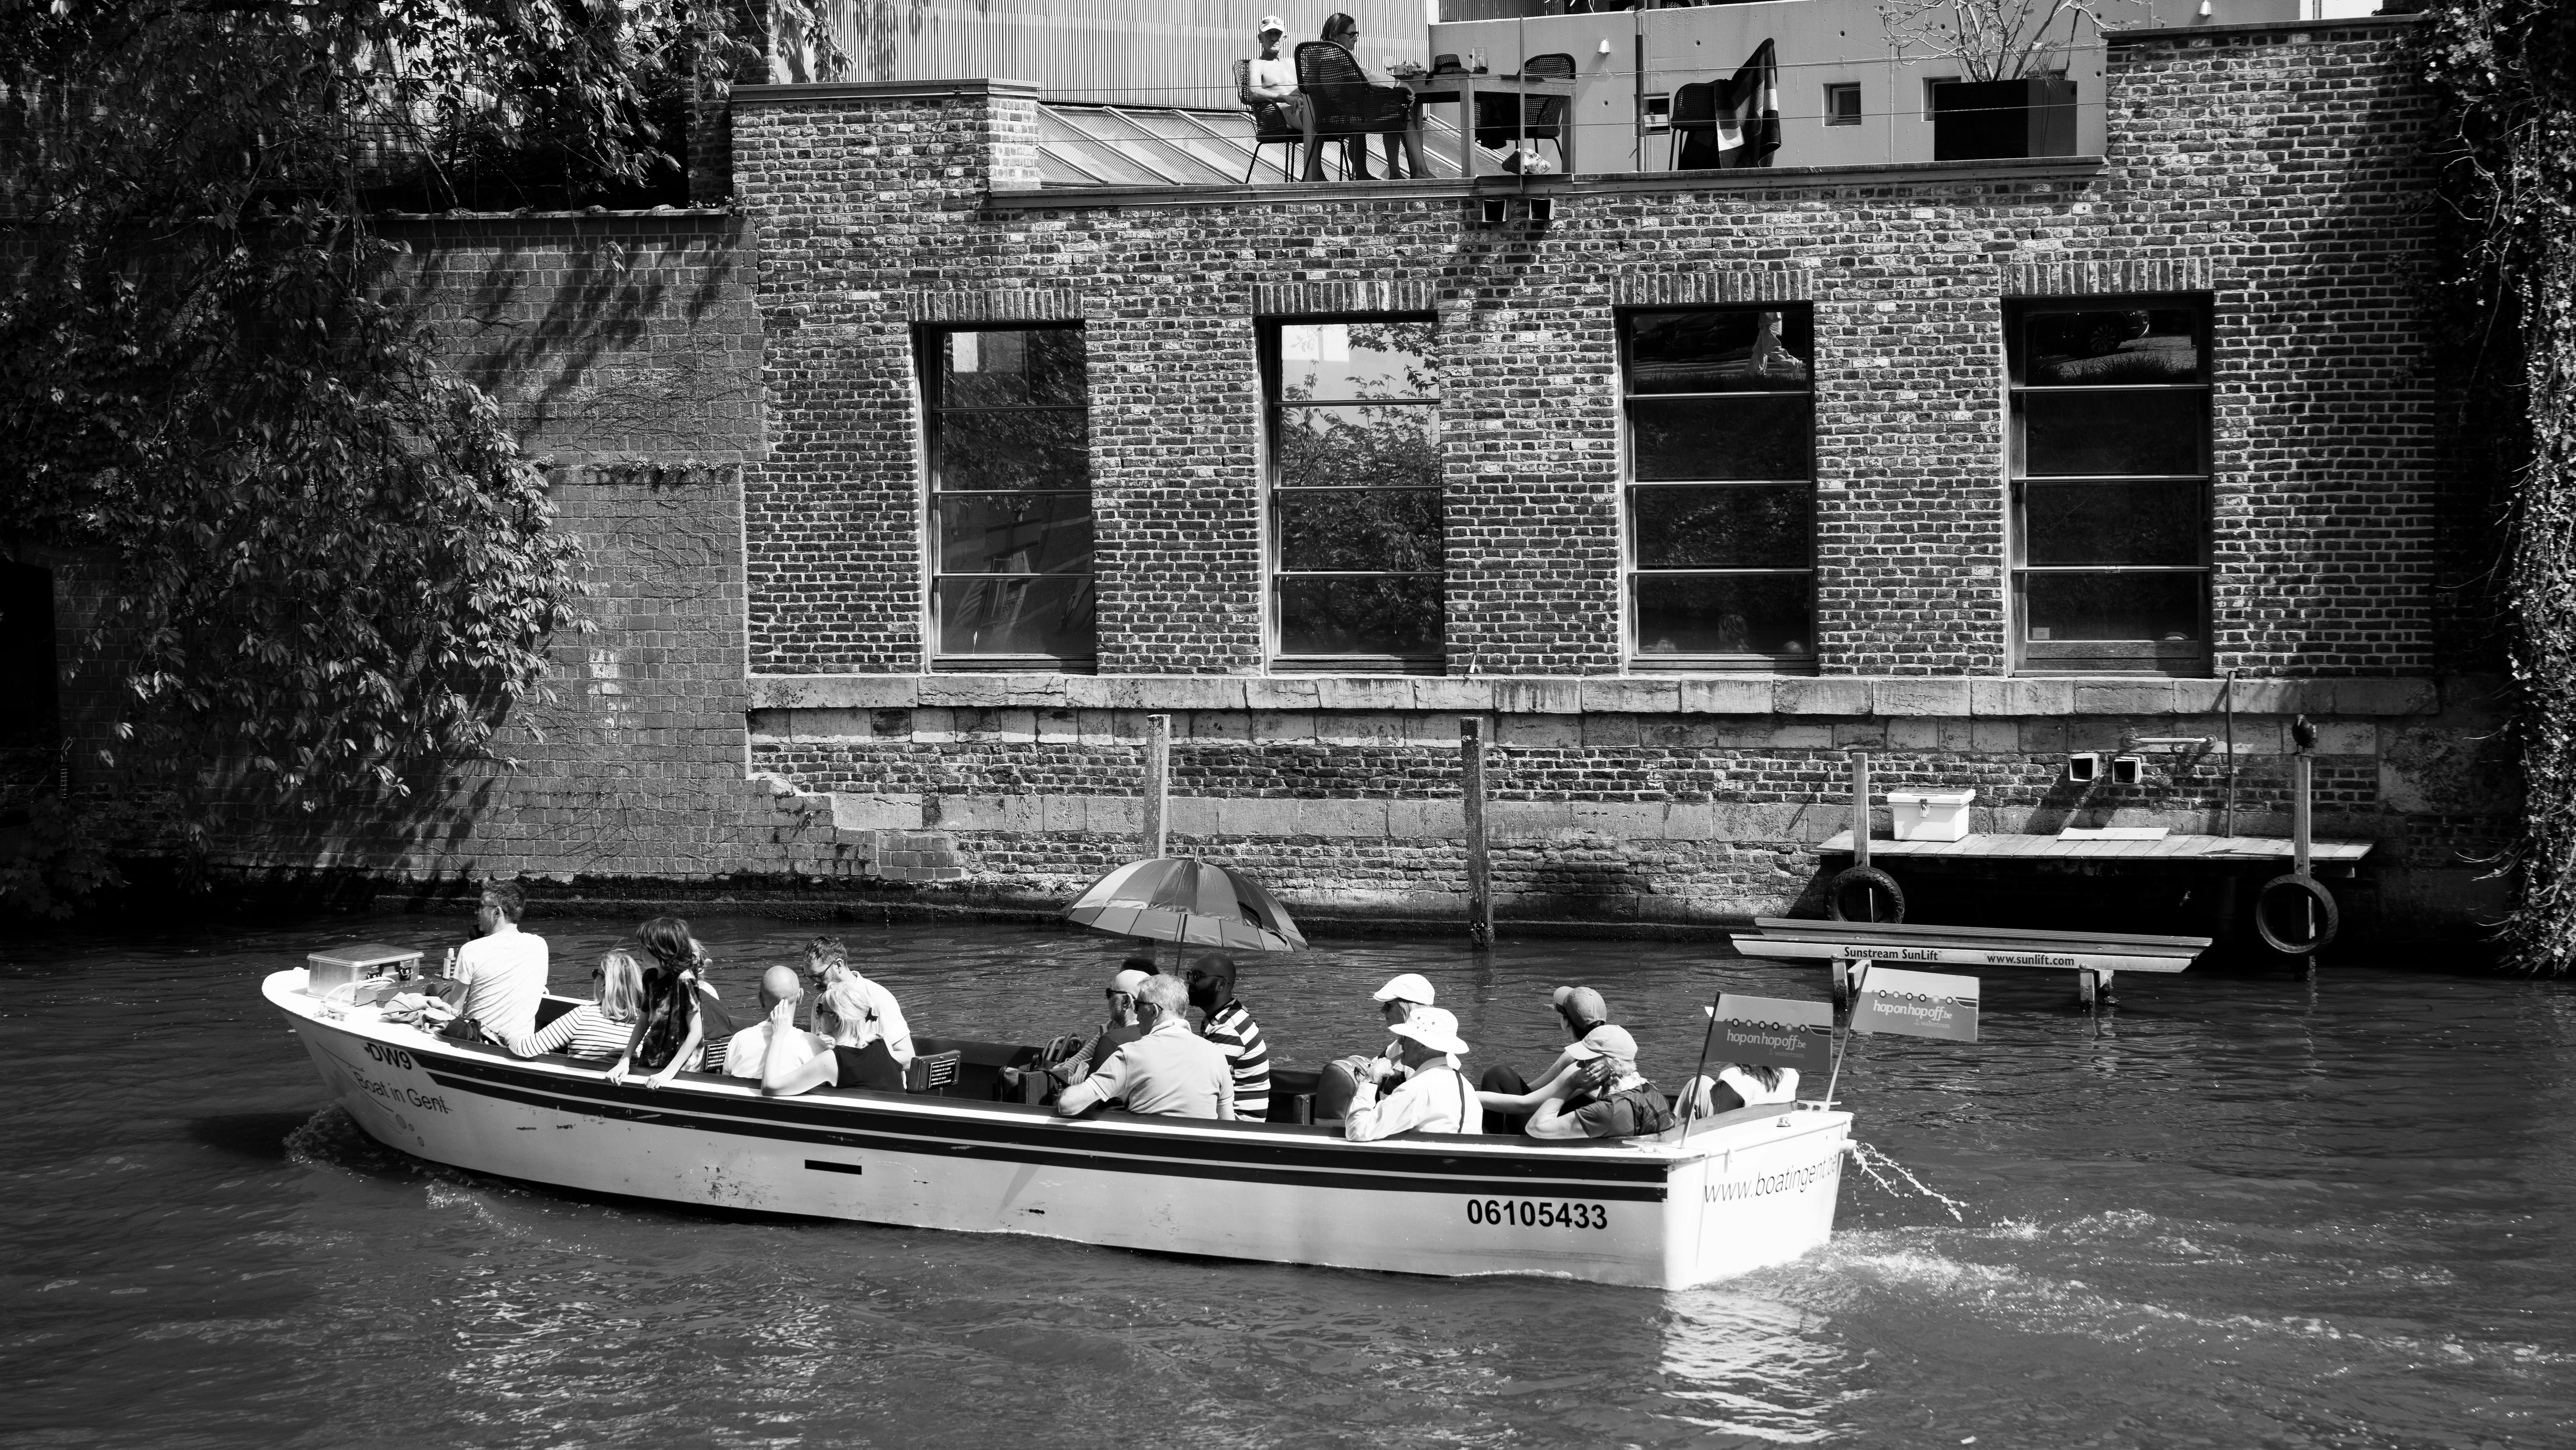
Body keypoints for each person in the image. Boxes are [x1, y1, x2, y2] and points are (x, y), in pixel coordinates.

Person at [1055, 975, 1236, 1120]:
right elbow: (1228, 1124)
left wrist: (1067, 1090)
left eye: (1139, 1006)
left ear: (1154, 1011)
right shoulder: (1216, 1055)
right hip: (1202, 1159)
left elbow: (1069, 1106)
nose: (1135, 1013)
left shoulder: (1131, 1054)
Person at [999, 965, 1152, 1104]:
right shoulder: (1122, 1028)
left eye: (1109, 993)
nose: (1107, 999)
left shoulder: (1113, 1040)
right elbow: (1079, 1059)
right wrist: (1057, 1073)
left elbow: (1088, 1087)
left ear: (1126, 1002)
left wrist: (1050, 1079)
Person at [1476, 985, 1613, 1132]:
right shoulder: (1574, 1055)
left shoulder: (1585, 1065)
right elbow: (1532, 1090)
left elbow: (1525, 1105)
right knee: (1498, 1078)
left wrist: (1462, 1095)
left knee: (1498, 1073)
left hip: (1551, 1133)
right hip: (1553, 1119)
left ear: (1566, 1023)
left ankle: (1486, 1144)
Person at [1341, 1007, 1483, 1141]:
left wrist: (1370, 1080)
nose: (1400, 1041)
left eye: (1406, 1037)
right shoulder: (1465, 1084)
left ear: (1423, 1045)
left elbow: (1356, 1130)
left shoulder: (1415, 1090)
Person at [437, 880, 549, 1047]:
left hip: (482, 1045)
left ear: (497, 913)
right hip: (522, 1046)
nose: (477, 912)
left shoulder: (472, 950)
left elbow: (455, 1010)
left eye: (481, 907)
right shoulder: (540, 945)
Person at [1516, 1025, 1676, 1140]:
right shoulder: (1653, 1092)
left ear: (1614, 1065)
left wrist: (1570, 1084)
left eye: (1587, 1060)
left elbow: (1535, 1128)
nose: (1579, 1065)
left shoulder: (1608, 1111)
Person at [758, 978, 916, 1094]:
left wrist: (778, 1036)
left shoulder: (831, 1060)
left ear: (837, 1019)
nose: (817, 1015)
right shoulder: (883, 1042)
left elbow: (770, 1088)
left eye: (820, 1010)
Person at [1319, 11, 1427, 181]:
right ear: (1335, 35)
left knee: (1390, 110)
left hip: (1330, 112)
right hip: (1348, 114)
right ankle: (1418, 172)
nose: (1355, 38)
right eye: (1351, 34)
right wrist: (1400, 84)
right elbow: (1367, 76)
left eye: (1357, 34)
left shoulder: (1320, 54)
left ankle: (1366, 173)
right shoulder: (1341, 54)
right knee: (1400, 115)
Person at [1315, 972, 1437, 1122]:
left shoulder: (1423, 1056)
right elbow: (1372, 1070)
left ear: (1406, 1008)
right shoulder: (1397, 1046)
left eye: (1388, 1006)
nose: (1382, 1011)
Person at [608, 915, 710, 1090]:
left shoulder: (685, 981)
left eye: (643, 947)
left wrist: (668, 1073)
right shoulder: (650, 977)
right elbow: (643, 1021)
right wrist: (624, 1060)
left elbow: (696, 1032)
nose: (638, 952)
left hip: (681, 1069)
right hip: (652, 1058)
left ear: (661, 951)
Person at [505, 950, 644, 1060]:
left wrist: (508, 1035)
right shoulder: (645, 1027)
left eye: (596, 974)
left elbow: (527, 1048)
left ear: (604, 984)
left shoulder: (584, 1016)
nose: (595, 978)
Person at [1188, 952, 1270, 1121]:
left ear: (1222, 984)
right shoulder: (1224, 1015)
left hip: (1238, 1123)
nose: (1190, 981)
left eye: (1197, 976)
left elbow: (1202, 1082)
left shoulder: (1227, 1029)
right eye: (1189, 974)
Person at [723, 965, 827, 1080]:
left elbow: (724, 1081)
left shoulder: (739, 1040)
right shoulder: (813, 1046)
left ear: (761, 1000)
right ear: (800, 996)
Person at [1244, 16, 1306, 137]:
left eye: (1278, 33)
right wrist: (1285, 98)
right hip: (1280, 113)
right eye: (1269, 34)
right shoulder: (1257, 64)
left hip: (1303, 109)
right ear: (1260, 38)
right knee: (1312, 120)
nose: (1274, 38)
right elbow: (1254, 92)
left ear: (1285, 38)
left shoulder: (1294, 62)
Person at [1681, 1060, 1800, 1117]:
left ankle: (1673, 1137)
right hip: (1771, 1133)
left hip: (1740, 1144)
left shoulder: (1733, 1078)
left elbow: (1721, 1129)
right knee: (1702, 1084)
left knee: (1698, 1085)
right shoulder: (1789, 1071)